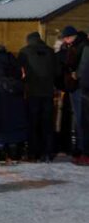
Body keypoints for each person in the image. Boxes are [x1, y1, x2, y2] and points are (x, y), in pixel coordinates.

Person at [18, 32, 56, 162]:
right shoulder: (50, 51)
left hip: (32, 92)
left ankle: (33, 152)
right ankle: (48, 152)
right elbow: (56, 71)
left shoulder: (24, 52)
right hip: (48, 92)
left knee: (33, 123)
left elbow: (18, 71)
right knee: (47, 123)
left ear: (28, 40)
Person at [0, 43, 27, 163]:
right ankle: (15, 152)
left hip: (2, 97)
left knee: (1, 124)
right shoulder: (13, 59)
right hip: (16, 96)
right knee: (15, 123)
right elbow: (20, 75)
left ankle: (2, 152)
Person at [61, 26, 88, 156]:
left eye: (66, 38)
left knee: (80, 118)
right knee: (78, 118)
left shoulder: (82, 46)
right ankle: (79, 146)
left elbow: (83, 65)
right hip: (74, 85)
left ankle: (81, 147)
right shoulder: (75, 46)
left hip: (78, 86)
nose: (65, 40)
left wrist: (76, 75)